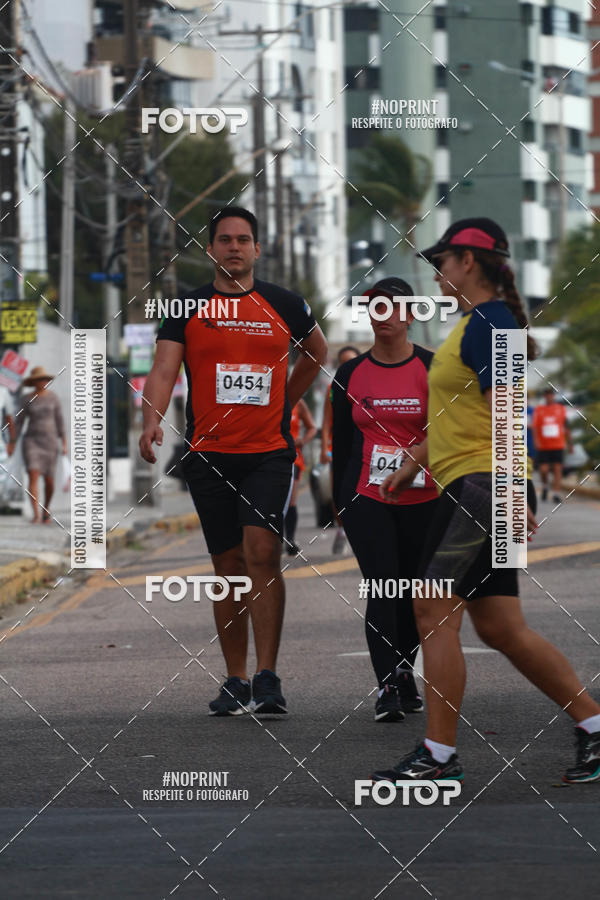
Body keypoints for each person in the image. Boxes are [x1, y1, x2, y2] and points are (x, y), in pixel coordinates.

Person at [371, 218, 600, 784]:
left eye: (441, 262)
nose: (438, 273)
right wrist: (412, 463)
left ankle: (439, 757)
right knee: (500, 626)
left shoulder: (489, 323)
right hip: (479, 481)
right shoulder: (476, 326)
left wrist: (507, 492)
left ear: (466, 262)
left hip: (480, 484)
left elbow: (504, 410)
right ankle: (595, 728)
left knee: (429, 608)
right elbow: (461, 418)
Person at [140, 206, 327, 717]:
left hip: (268, 452)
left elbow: (316, 351)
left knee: (262, 553)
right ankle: (236, 678)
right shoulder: (186, 307)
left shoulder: (284, 303)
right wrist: (151, 419)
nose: (234, 247)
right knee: (227, 566)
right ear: (211, 248)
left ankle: (268, 677)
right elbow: (163, 369)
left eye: (243, 239)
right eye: (224, 240)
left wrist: (285, 402)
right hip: (209, 455)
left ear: (257, 249)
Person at [332, 277, 438, 722]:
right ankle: (389, 686)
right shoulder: (350, 373)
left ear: (411, 314)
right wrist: (337, 503)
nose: (385, 315)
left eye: (394, 307)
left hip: (426, 497)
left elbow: (449, 432)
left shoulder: (433, 367)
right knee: (382, 586)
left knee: (415, 594)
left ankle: (403, 670)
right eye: (375, 307)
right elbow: (341, 441)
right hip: (367, 497)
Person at [320, 345, 360, 554]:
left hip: (363, 448)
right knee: (339, 491)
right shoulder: (333, 388)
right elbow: (327, 421)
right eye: (343, 362)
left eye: (351, 361)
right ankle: (342, 528)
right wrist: (324, 447)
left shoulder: (367, 385)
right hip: (338, 447)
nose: (347, 366)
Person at [18, 366, 67, 524]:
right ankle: (36, 514)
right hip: (31, 441)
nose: (43, 382)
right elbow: (19, 422)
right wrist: (11, 441)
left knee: (49, 480)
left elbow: (60, 421)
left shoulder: (53, 398)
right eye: (40, 379)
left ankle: (46, 508)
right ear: (34, 382)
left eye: (45, 379)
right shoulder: (26, 399)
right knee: (33, 474)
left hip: (50, 442)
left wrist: (64, 442)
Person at [285, 398, 317, 555]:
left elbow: (312, 428)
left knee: (290, 498)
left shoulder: (298, 403)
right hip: (270, 456)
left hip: (293, 458)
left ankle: (289, 539)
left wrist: (302, 441)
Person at [533, 387, 573, 503]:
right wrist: (536, 440)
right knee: (543, 469)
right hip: (544, 445)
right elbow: (535, 427)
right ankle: (545, 485)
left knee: (557, 469)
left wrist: (570, 444)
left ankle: (556, 493)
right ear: (544, 397)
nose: (548, 397)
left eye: (550, 395)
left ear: (553, 396)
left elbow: (566, 426)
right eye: (546, 395)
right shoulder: (539, 410)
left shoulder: (560, 409)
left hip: (558, 444)